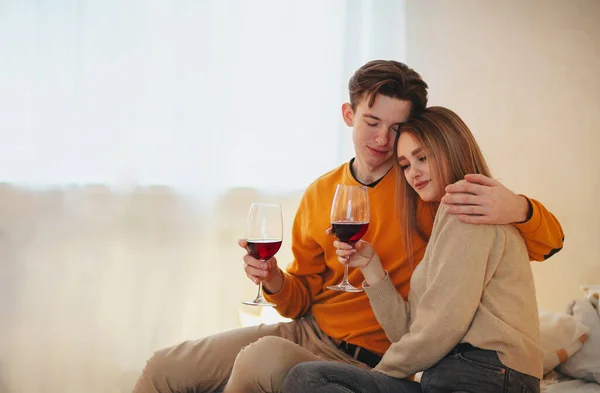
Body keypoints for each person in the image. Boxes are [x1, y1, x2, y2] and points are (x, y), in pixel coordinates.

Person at [132, 61, 564, 393]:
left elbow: (543, 244)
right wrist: (274, 279)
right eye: (371, 122)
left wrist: (521, 207)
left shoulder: (429, 190)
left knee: (258, 361)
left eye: (396, 130)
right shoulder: (322, 192)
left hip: (373, 355)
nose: (381, 140)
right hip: (309, 332)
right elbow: (299, 296)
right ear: (348, 114)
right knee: (162, 368)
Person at [282, 106, 544, 393]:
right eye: (405, 164)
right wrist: (371, 267)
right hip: (452, 376)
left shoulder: (469, 209)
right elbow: (408, 331)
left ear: (451, 149)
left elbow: (440, 329)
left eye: (422, 158)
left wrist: (377, 375)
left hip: (488, 375)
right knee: (310, 377)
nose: (413, 173)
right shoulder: (445, 219)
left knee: (312, 379)